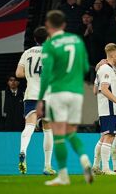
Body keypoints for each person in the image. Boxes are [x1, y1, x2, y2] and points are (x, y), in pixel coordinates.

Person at [37, 10, 93, 186]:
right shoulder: (77, 40)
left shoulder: (50, 44)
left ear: (47, 25)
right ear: (64, 25)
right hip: (77, 93)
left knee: (59, 135)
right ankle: (85, 160)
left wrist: (40, 99)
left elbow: (45, 74)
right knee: (71, 132)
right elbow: (85, 67)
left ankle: (63, 175)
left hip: (58, 92)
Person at [15, 26, 55, 175]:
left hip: (31, 94)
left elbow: (18, 73)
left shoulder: (27, 52)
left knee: (30, 126)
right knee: (48, 129)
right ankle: (47, 166)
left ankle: (23, 151)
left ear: (35, 39)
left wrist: (32, 76)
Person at [94, 43, 116, 175]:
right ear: (113, 54)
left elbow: (95, 90)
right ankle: (105, 168)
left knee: (104, 137)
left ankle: (96, 166)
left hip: (105, 108)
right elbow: (103, 89)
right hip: (110, 108)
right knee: (109, 136)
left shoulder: (103, 68)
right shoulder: (106, 69)